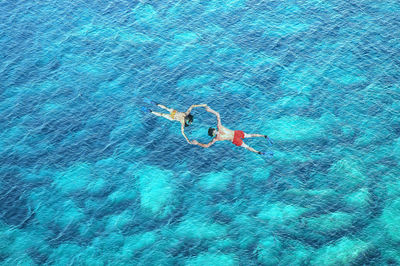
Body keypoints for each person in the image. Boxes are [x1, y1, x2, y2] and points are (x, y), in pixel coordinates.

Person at [191, 105, 273, 156]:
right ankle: (264, 136)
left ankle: (259, 152)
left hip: (235, 139)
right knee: (250, 135)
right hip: (236, 134)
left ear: (212, 134)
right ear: (214, 129)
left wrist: (197, 143)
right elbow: (218, 115)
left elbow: (207, 145)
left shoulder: (216, 138)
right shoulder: (219, 127)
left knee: (247, 146)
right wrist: (210, 110)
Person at [142, 100, 206, 144]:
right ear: (187, 120)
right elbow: (182, 132)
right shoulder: (182, 121)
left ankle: (156, 104)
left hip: (174, 112)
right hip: (172, 117)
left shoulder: (186, 113)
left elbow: (192, 106)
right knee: (161, 114)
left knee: (166, 108)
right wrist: (187, 140)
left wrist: (203, 105)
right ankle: (150, 111)